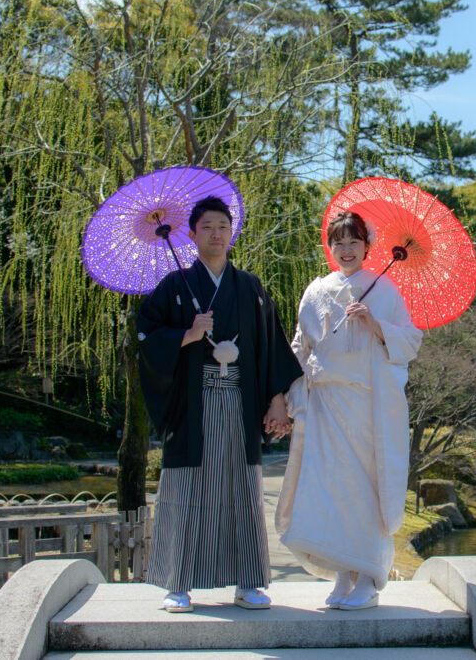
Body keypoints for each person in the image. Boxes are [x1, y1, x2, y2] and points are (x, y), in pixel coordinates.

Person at [137, 195, 303, 613]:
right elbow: (144, 336)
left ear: (232, 234)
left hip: (240, 402)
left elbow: (270, 345)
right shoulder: (175, 287)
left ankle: (248, 582)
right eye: (207, 226)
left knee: (241, 489)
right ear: (191, 235)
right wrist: (186, 337)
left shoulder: (249, 287)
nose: (215, 233)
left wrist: (278, 400)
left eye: (223, 227)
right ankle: (178, 582)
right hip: (192, 405)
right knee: (187, 489)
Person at [275, 211, 423, 610]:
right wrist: (292, 400)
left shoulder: (385, 290)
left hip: (364, 405)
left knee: (363, 487)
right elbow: (299, 346)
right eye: (338, 243)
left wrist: (375, 324)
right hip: (324, 403)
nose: (345, 250)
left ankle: (370, 578)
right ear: (330, 247)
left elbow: (410, 340)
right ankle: (344, 572)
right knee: (330, 487)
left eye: (353, 242)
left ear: (367, 246)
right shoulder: (316, 290)